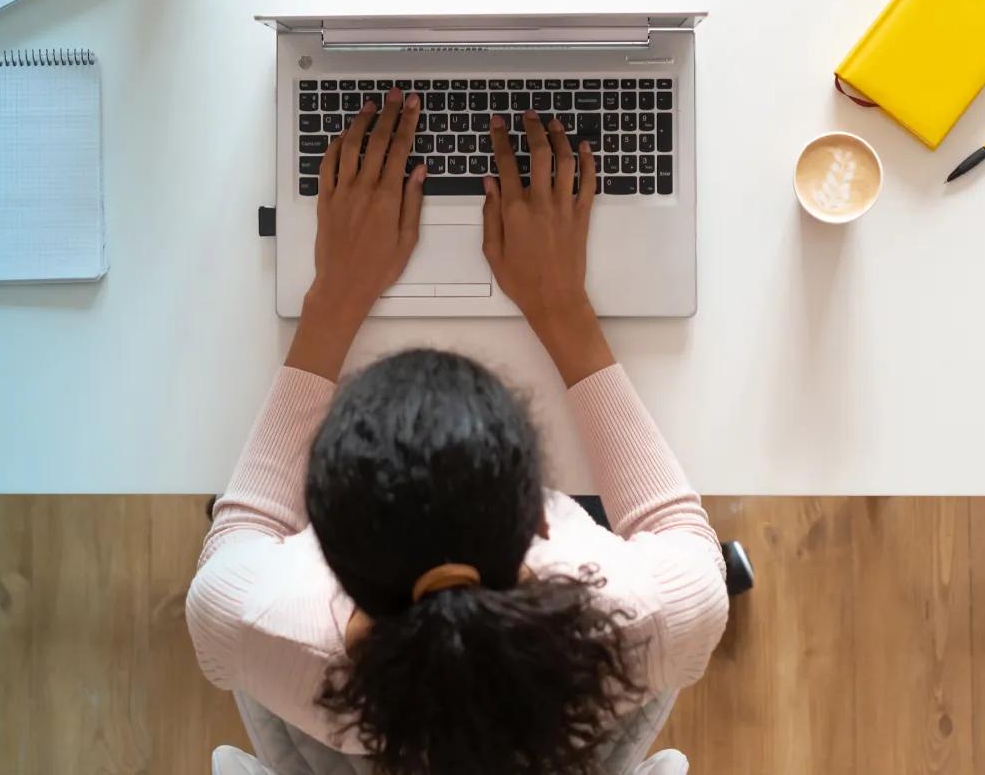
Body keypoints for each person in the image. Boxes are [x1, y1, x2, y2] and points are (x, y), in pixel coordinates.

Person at [187, 88, 728, 775]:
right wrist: (564, 308)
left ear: (318, 547)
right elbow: (678, 528)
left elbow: (240, 536)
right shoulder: (640, 622)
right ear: (541, 521)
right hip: (560, 719)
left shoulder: (251, 621)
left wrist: (334, 298)